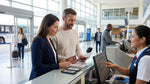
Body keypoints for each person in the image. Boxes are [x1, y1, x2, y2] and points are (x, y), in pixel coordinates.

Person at [29, 14, 71, 80]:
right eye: (55, 27)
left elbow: (49, 62)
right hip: (39, 79)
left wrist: (59, 62)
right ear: (47, 27)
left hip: (49, 78)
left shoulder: (49, 39)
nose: (57, 29)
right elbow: (37, 67)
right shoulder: (38, 41)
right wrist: (58, 66)